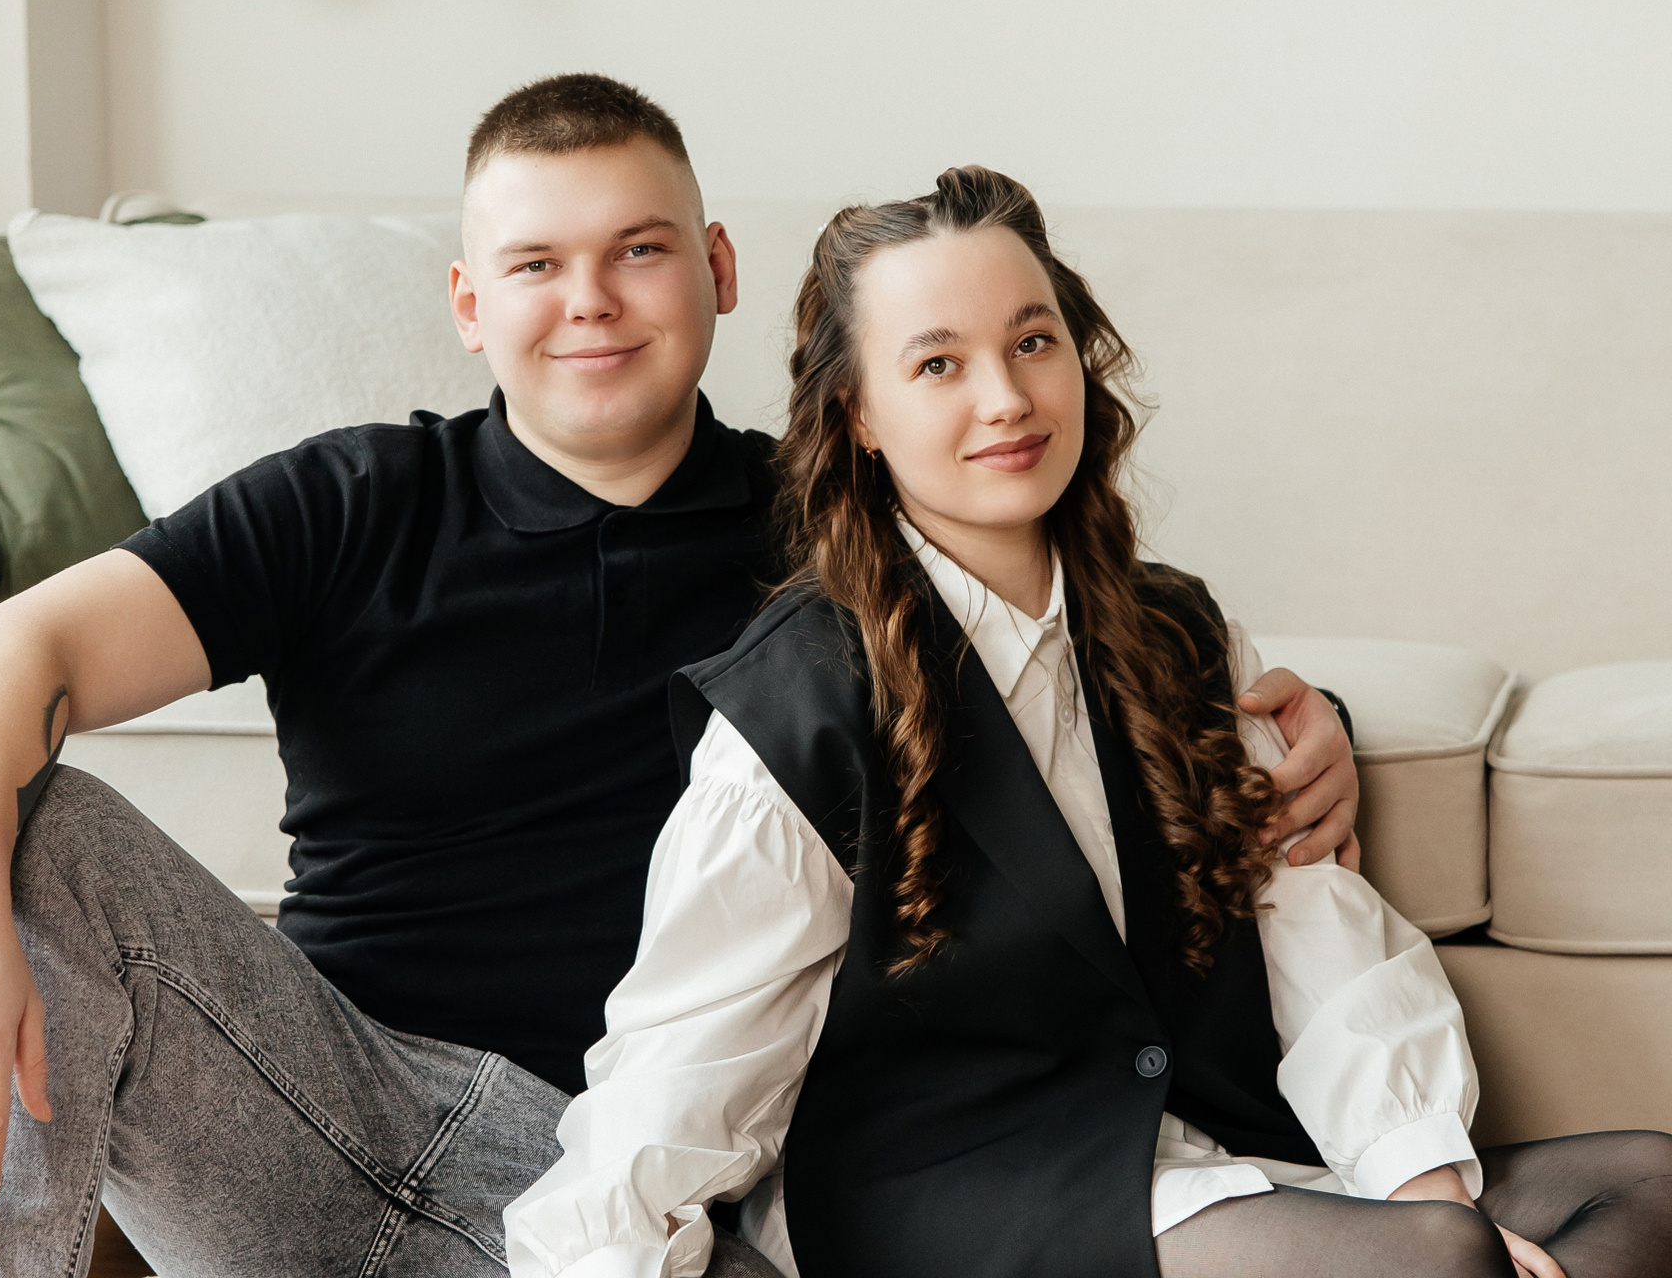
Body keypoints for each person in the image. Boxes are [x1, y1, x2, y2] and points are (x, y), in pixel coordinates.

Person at [0, 78, 1358, 1277]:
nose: (593, 300)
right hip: (330, 1110)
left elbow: (1079, 649)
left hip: (678, 1191)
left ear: (716, 269)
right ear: (467, 303)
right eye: (536, 264)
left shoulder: (844, 531)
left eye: (639, 249)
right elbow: (3, 659)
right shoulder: (352, 503)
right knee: (35, 833)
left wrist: (1308, 729)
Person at [503, 166, 1672, 1278]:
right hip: (951, 1196)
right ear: (857, 412)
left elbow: (1315, 934)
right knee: (1435, 1260)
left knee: (1643, 1187)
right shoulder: (799, 702)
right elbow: (678, 1074)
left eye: (1032, 341)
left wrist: (1431, 1190)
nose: (1007, 398)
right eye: (938, 363)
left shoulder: (1178, 632)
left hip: (1190, 1146)